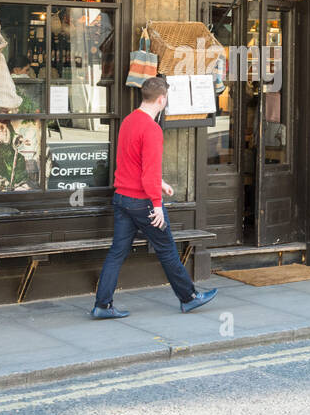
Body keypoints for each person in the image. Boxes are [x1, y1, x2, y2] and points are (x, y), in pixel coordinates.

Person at [90, 76, 217, 318]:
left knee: (117, 252)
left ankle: (102, 305)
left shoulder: (128, 121)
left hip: (122, 198)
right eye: (166, 99)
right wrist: (157, 205)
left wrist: (160, 184)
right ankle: (189, 297)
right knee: (167, 249)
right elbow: (149, 169)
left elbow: (131, 162)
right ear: (161, 99)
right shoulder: (152, 129)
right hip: (142, 203)